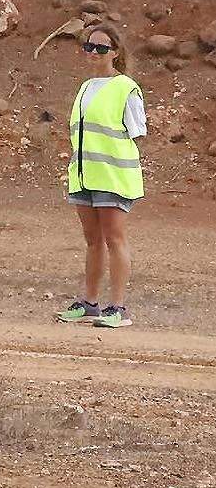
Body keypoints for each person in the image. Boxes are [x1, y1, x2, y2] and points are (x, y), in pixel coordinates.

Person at [56, 23, 143, 328]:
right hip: (84, 175)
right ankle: (89, 303)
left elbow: (137, 133)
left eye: (101, 48)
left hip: (113, 176)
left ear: (115, 52)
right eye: (89, 46)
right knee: (93, 240)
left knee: (114, 238)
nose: (94, 52)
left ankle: (118, 307)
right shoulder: (85, 87)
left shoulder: (126, 87)